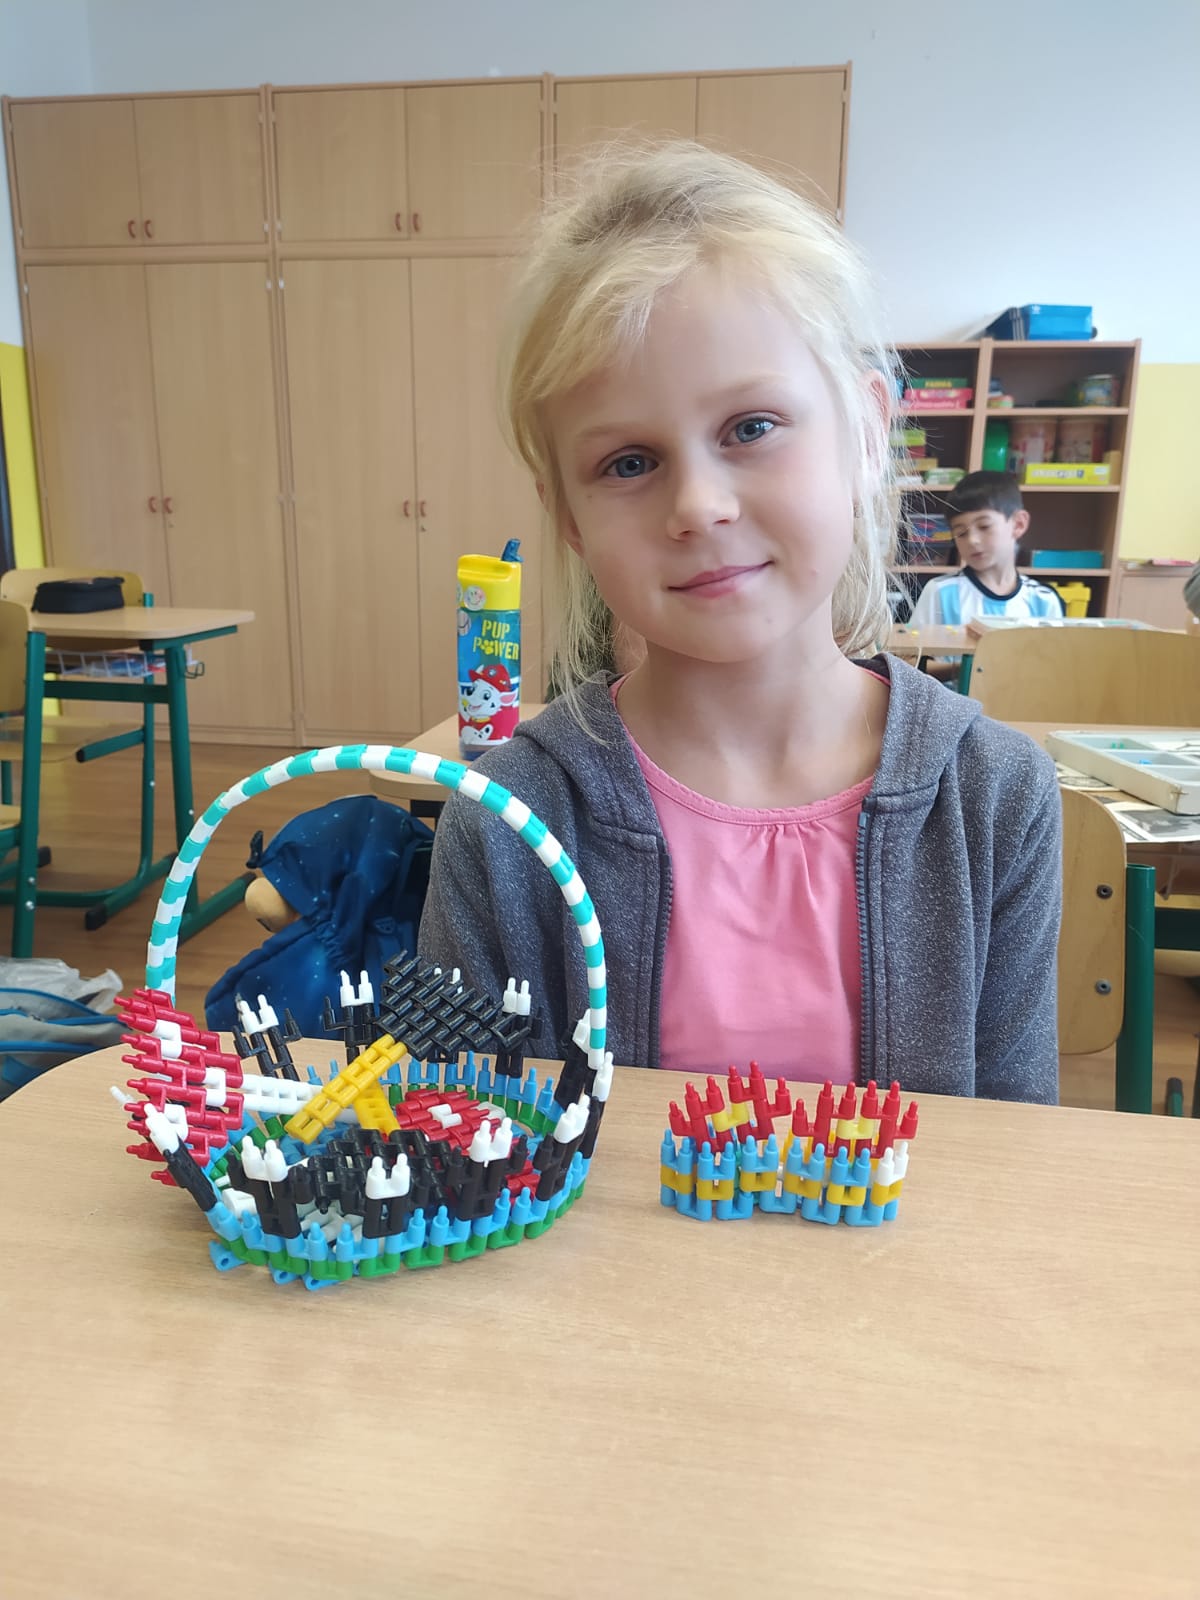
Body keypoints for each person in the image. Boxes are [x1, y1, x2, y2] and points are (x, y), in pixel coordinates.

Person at [419, 143, 1061, 1103]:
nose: (698, 506)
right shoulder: (508, 815)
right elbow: (458, 1136)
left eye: (751, 427)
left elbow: (1015, 1152)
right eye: (629, 463)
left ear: (866, 433)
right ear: (569, 517)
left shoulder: (994, 795)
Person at [909, 472, 1065, 629]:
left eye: (984, 527)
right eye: (961, 533)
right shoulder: (940, 592)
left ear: (1018, 524)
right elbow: (916, 643)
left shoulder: (1044, 600)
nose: (972, 540)